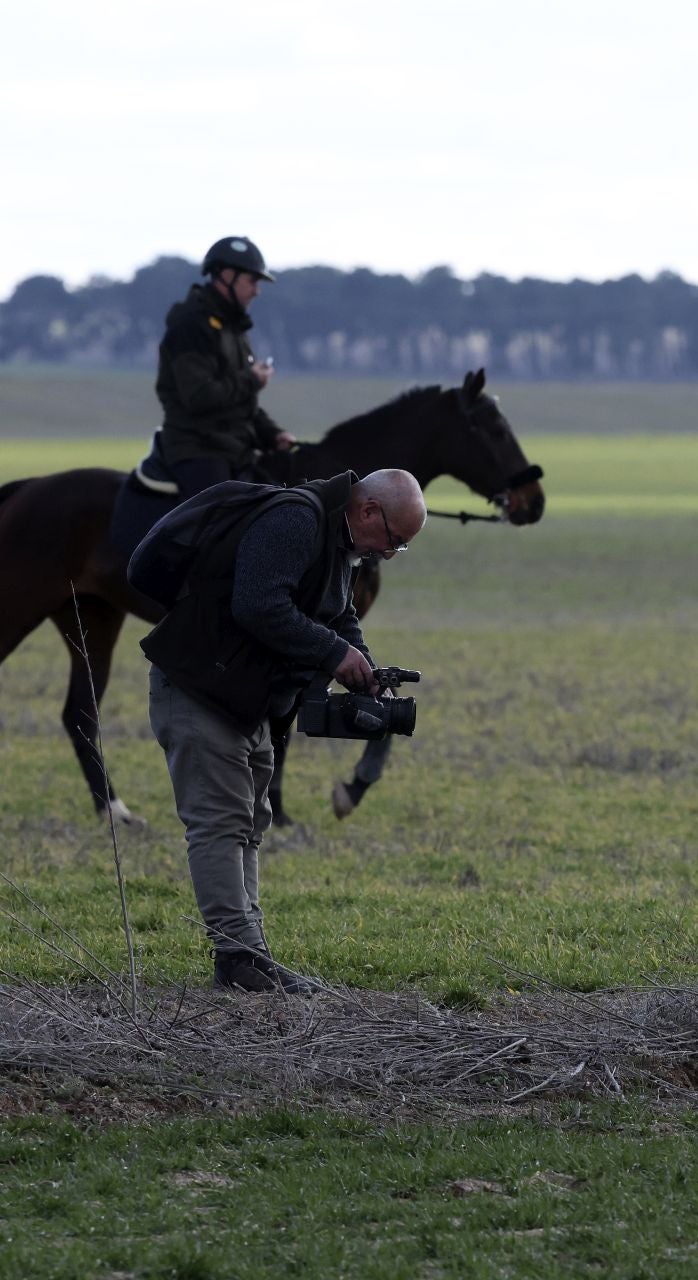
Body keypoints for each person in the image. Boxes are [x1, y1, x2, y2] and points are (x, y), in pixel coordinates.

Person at [141, 469, 427, 992]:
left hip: (247, 698)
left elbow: (337, 615)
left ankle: (251, 953)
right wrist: (331, 653)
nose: (389, 554)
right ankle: (237, 957)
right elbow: (259, 603)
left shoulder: (338, 543)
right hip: (201, 688)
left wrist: (363, 664)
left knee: (250, 822)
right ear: (368, 512)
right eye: (394, 541)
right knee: (220, 824)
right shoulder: (297, 520)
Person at [155, 236, 296, 499]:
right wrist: (252, 380)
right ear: (227, 276)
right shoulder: (191, 326)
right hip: (197, 449)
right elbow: (199, 397)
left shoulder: (233, 328)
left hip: (233, 449)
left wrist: (273, 434)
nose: (257, 291)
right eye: (252, 281)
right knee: (221, 524)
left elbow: (240, 403)